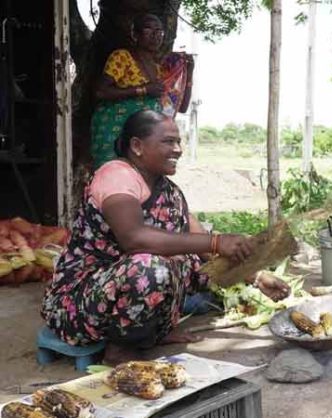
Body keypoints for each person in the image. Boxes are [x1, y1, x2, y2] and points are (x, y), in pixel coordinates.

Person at [41, 110, 290, 364]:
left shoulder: (169, 192)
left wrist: (257, 277)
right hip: (80, 306)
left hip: (124, 300)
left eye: (179, 141)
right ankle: (120, 351)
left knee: (195, 265)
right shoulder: (116, 175)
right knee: (150, 267)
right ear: (137, 146)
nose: (178, 149)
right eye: (168, 141)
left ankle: (149, 334)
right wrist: (216, 242)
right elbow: (134, 238)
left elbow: (205, 247)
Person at [90, 14, 195, 168]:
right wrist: (143, 90)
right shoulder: (122, 57)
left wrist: (189, 72)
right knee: (114, 178)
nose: (155, 35)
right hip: (114, 134)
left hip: (143, 140)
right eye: (148, 29)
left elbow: (182, 107)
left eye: (159, 31)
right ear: (135, 34)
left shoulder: (160, 69)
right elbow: (100, 91)